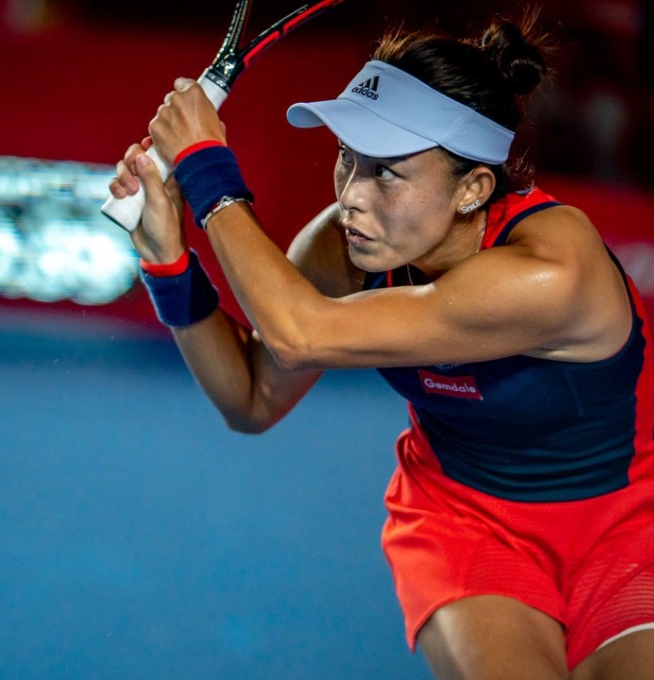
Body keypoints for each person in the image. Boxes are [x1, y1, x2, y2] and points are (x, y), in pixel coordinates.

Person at [108, 9, 654, 680]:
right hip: (465, 523)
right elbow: (251, 398)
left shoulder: (551, 271)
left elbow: (300, 331)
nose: (353, 199)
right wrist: (169, 265)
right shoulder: (346, 247)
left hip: (634, 528)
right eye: (348, 158)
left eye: (388, 172)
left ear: (473, 188)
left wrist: (206, 172)